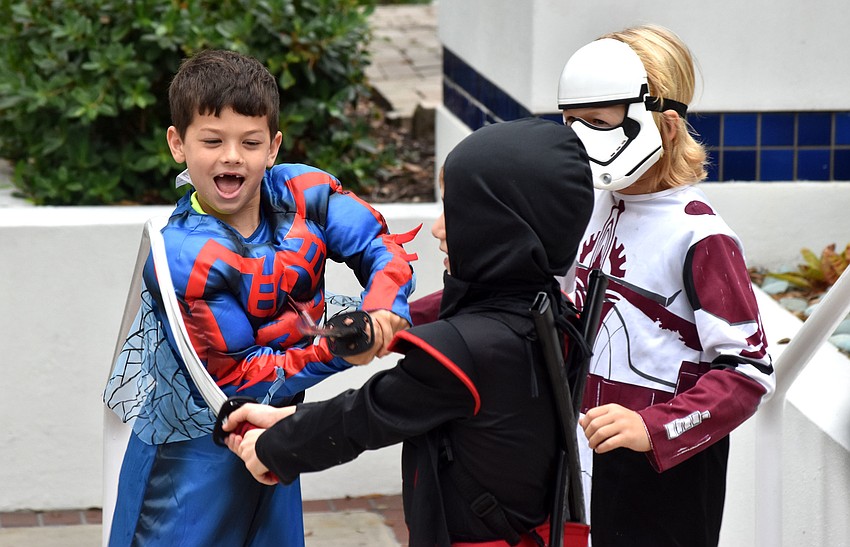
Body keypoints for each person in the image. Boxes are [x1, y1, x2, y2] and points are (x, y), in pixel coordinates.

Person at [222, 117, 595, 546]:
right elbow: (447, 312)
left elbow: (364, 417)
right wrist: (283, 415)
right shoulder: (548, 308)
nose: (437, 228)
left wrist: (271, 449)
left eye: (456, 213)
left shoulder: (472, 350)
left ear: (502, 230)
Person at [103, 49, 416, 546]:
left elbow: (381, 248)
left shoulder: (304, 192)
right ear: (177, 144)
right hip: (188, 456)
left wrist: (383, 309)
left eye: (249, 142)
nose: (231, 156)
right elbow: (243, 376)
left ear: (272, 147)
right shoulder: (185, 253)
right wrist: (339, 346)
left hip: (272, 437)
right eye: (212, 140)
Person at [556, 25, 776, 546]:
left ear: (666, 126)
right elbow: (529, 291)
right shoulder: (587, 207)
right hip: (581, 460)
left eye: (598, 122)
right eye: (570, 122)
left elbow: (748, 370)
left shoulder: (700, 234)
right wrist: (404, 319)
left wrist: (656, 428)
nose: (581, 137)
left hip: (661, 477)